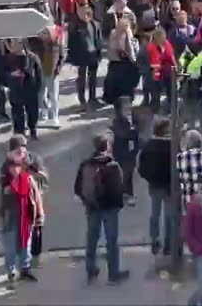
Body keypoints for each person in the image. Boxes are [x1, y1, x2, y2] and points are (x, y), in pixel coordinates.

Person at [74, 132, 129, 284]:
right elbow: (119, 189)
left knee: (92, 238)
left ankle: (91, 270)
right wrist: (119, 204)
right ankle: (113, 274)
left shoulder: (86, 164)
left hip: (92, 207)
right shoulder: (112, 165)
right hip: (110, 208)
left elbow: (78, 187)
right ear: (108, 146)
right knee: (111, 241)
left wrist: (87, 200)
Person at [0, 153, 42, 283]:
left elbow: (36, 196)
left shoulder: (27, 179)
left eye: (17, 166)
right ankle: (11, 272)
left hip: (26, 217)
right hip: (9, 218)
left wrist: (39, 214)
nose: (15, 169)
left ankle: (25, 269)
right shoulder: (4, 182)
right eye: (12, 167)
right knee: (10, 247)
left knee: (25, 245)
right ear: (8, 168)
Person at [137, 117, 174, 255]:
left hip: (154, 186)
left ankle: (154, 240)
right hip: (170, 186)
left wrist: (149, 178)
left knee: (154, 214)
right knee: (170, 215)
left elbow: (141, 168)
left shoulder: (148, 146)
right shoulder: (172, 146)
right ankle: (168, 243)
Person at [109, 98, 141, 205]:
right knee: (125, 173)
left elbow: (138, 132)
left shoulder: (133, 119)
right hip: (121, 151)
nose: (129, 108)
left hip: (131, 151)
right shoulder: (118, 121)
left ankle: (126, 193)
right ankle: (125, 194)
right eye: (126, 107)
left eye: (130, 106)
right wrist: (133, 130)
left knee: (129, 173)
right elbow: (123, 134)